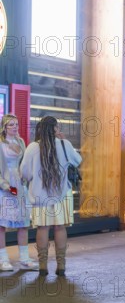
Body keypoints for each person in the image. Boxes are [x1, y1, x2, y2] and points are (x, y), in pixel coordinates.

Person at [20, 116, 82, 276]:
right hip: (61, 194)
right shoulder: (64, 144)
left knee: (42, 228)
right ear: (54, 129)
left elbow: (25, 173)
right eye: (58, 127)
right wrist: (65, 141)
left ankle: (42, 266)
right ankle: (61, 266)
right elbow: (78, 160)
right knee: (60, 227)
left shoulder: (33, 147)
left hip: (40, 196)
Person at [0, 114, 38, 271]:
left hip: (19, 185)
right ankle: (3, 260)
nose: (15, 127)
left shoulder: (21, 141)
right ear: (4, 127)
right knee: (2, 225)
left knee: (23, 224)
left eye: (16, 124)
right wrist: (4, 185)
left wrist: (25, 178)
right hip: (4, 186)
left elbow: (24, 164)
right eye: (11, 125)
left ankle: (24, 258)